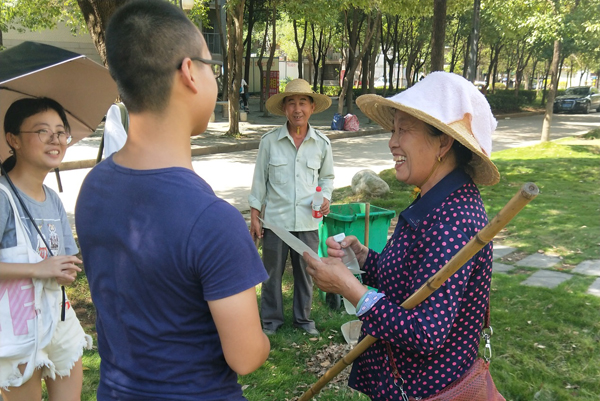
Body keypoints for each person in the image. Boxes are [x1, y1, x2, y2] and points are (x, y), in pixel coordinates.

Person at [74, 1, 270, 400]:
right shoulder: (212, 220)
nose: (214, 76)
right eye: (212, 66)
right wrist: (262, 338)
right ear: (189, 72)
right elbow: (247, 356)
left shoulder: (93, 186)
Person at [304, 71, 500, 400]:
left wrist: (351, 290)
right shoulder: (435, 199)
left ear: (443, 142)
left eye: (403, 130)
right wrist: (364, 258)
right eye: (393, 130)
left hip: (425, 390)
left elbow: (425, 333)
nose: (392, 142)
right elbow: (414, 281)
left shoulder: (453, 220)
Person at [0, 97, 91, 401]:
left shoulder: (52, 198)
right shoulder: (3, 197)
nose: (56, 139)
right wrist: (37, 269)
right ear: (13, 140)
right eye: (42, 131)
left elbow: (64, 258)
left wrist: (65, 271)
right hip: (17, 327)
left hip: (59, 319)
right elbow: (42, 266)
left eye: (61, 131)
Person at [249, 78, 334, 336]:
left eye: (303, 103)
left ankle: (303, 320)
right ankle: (271, 321)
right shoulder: (269, 142)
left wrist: (326, 197)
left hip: (308, 221)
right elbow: (259, 181)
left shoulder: (321, 143)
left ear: (311, 107)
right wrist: (255, 215)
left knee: (307, 273)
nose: (298, 109)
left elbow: (327, 178)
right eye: (292, 103)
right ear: (285, 109)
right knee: (271, 274)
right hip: (276, 222)